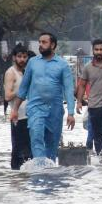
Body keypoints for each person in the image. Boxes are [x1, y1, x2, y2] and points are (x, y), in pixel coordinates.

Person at [10, 32, 75, 163]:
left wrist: (71, 113)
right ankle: (40, 168)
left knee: (52, 143)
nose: (40, 45)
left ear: (53, 45)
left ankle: (49, 171)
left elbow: (68, 90)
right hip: (35, 108)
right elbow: (23, 88)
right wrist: (15, 110)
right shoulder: (32, 63)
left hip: (55, 110)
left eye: (44, 42)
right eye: (39, 42)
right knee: (36, 135)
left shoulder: (62, 65)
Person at [4, 45, 32, 170]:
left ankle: (27, 177)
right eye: (19, 56)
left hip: (30, 115)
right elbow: (7, 96)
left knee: (29, 150)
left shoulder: (25, 72)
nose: (22, 59)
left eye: (25, 57)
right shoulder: (11, 72)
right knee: (18, 150)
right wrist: (22, 90)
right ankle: (15, 176)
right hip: (18, 117)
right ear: (14, 57)